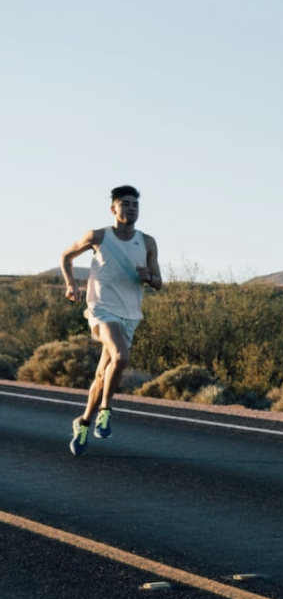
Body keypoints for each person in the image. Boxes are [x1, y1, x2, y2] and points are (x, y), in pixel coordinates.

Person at [60, 186, 162, 455]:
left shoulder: (147, 242)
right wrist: (71, 284)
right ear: (113, 209)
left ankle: (83, 423)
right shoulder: (98, 236)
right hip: (101, 309)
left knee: (103, 374)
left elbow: (159, 282)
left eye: (135, 205)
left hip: (130, 314)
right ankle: (106, 409)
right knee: (121, 356)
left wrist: (149, 278)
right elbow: (66, 256)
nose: (131, 209)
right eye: (125, 204)